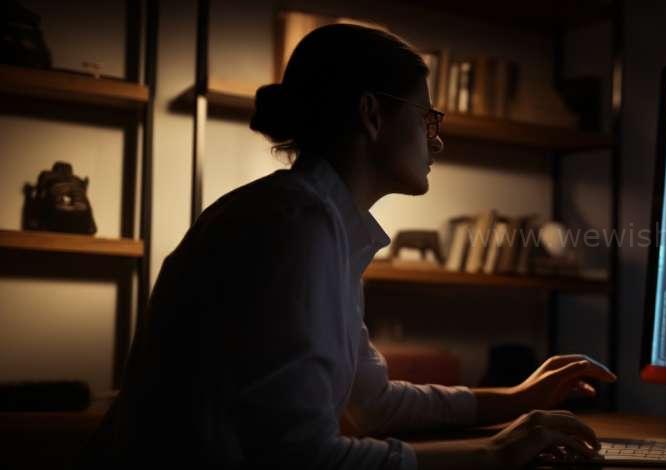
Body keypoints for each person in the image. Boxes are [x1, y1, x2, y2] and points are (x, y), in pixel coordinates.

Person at [79, 24, 615, 469]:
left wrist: (517, 399)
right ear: (372, 114)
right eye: (427, 118)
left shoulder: (317, 220)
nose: (437, 140)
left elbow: (370, 403)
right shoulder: (295, 226)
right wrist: (497, 451)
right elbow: (304, 460)